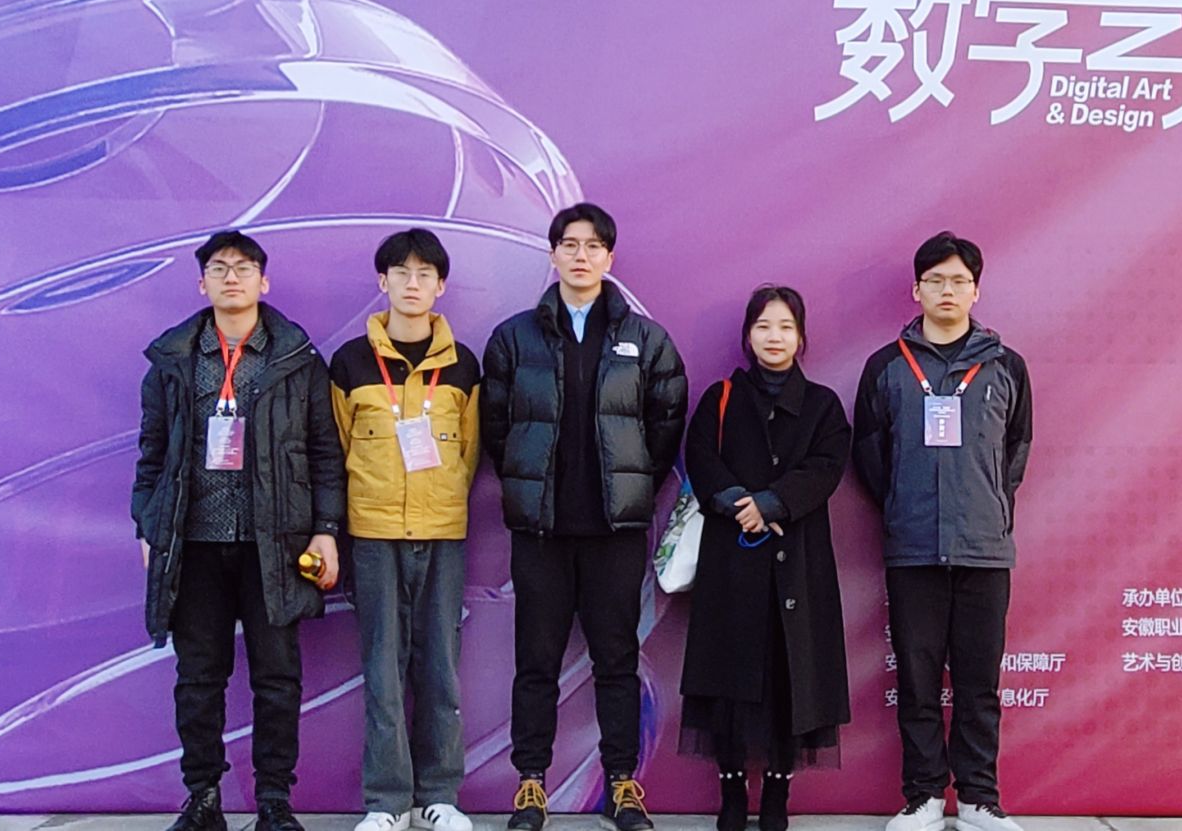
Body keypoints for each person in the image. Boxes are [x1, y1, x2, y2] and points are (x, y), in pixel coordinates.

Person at [481, 202, 689, 831]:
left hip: (613, 533)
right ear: (553, 254)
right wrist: (529, 482)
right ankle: (531, 785)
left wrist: (632, 484)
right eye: (569, 244)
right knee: (536, 663)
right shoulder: (514, 337)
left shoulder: (644, 340)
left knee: (616, 661)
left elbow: (667, 420)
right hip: (541, 532)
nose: (581, 255)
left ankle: (622, 784)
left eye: (593, 246)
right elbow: (496, 426)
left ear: (609, 257)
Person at [133, 230, 346, 831]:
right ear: (201, 283)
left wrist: (326, 529)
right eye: (220, 268)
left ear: (264, 281)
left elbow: (325, 452)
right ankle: (203, 798)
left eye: (244, 267)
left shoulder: (297, 360)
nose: (232, 277)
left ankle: (274, 801)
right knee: (199, 677)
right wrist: (148, 526)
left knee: (278, 677)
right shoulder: (173, 362)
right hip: (194, 543)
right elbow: (151, 455)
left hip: (274, 542)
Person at [851, 232, 1033, 831]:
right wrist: (905, 504)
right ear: (916, 289)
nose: (947, 290)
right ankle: (924, 796)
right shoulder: (886, 367)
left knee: (979, 682)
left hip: (984, 549)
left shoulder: (1006, 367)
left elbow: (1016, 449)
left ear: (976, 290)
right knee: (918, 678)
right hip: (914, 549)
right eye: (935, 280)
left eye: (959, 280)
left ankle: (979, 799)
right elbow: (870, 453)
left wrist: (987, 505)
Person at [678, 286, 851, 831]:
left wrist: (774, 503)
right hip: (731, 561)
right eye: (763, 326)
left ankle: (777, 793)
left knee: (788, 677)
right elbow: (700, 458)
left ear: (801, 336)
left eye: (785, 327)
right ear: (747, 336)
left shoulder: (823, 405)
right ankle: (731, 793)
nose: (774, 337)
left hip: (796, 562)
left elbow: (827, 466)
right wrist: (740, 504)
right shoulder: (721, 397)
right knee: (728, 678)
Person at [329, 228, 482, 831]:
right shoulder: (349, 363)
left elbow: (470, 452)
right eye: (401, 272)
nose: (412, 284)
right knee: (383, 671)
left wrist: (442, 501)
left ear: (441, 286)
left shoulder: (464, 365)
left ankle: (439, 796)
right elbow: (335, 450)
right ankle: (388, 803)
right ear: (382, 281)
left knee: (441, 668)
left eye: (424, 274)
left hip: (442, 534)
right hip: (372, 535)